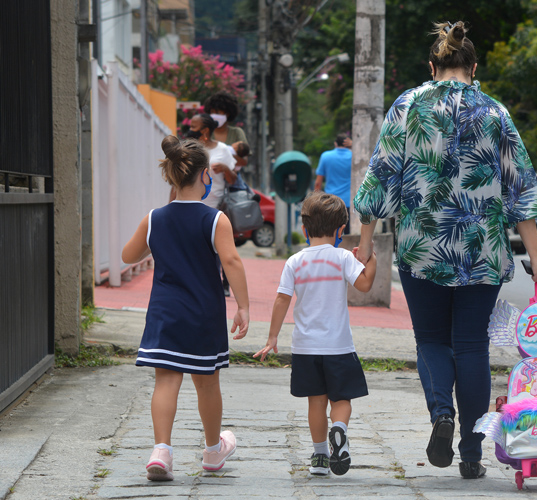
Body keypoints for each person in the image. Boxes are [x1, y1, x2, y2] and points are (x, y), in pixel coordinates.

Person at [352, 21, 537, 480]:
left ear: (433, 66)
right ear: (473, 66)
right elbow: (519, 187)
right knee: (471, 346)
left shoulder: (407, 106)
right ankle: (471, 453)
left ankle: (441, 413)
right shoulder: (495, 112)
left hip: (422, 247)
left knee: (430, 340)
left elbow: (381, 176)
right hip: (480, 248)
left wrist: (365, 247)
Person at [122, 135, 250, 481]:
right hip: (203, 315)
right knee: (207, 382)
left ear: (172, 176)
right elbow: (232, 262)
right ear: (205, 175)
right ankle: (212, 451)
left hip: (165, 313)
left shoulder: (154, 219)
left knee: (165, 381)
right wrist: (244, 306)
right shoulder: (214, 220)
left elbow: (128, 256)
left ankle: (161, 451)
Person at [254, 191, 377, 477]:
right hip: (339, 347)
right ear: (340, 230)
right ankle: (340, 429)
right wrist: (370, 260)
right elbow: (365, 285)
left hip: (305, 348)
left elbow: (282, 299)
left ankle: (320, 456)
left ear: (304, 229)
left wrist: (272, 338)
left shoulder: (295, 261)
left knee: (316, 402)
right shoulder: (343, 257)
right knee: (342, 400)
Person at [184, 113, 237, 296]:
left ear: (205, 130)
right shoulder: (189, 148)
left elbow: (234, 179)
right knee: (198, 248)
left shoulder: (223, 149)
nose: (190, 129)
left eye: (194, 126)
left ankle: (224, 283)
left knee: (219, 248)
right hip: (191, 206)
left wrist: (225, 169)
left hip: (216, 207)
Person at [314, 133, 353, 234]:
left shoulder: (325, 156)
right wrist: (353, 146)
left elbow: (318, 183)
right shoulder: (354, 156)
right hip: (349, 202)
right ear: (347, 144)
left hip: (331, 202)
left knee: (332, 233)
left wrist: (316, 200)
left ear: (335, 144)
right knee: (348, 233)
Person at [204, 91, 249, 167]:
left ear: (228, 114)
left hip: (232, 176)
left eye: (218, 113)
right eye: (212, 112)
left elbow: (244, 162)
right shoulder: (205, 132)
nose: (214, 115)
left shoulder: (237, 132)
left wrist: (224, 153)